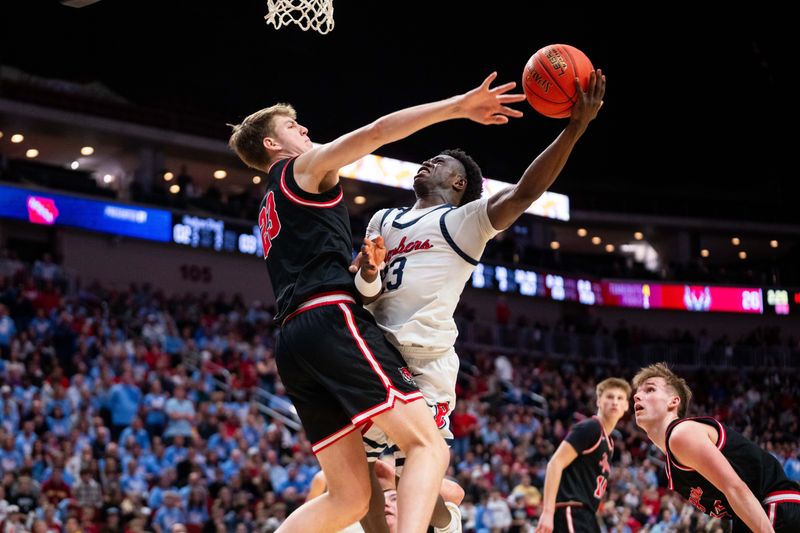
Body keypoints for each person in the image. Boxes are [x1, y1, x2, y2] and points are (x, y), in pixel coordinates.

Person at [228, 72, 525, 533]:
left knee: (347, 498)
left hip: (291, 341)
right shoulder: (300, 169)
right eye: (292, 126)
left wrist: (366, 270)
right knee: (429, 447)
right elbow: (377, 131)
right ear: (272, 144)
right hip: (329, 318)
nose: (304, 130)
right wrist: (458, 106)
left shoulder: (270, 201)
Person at [350, 70, 606, 532]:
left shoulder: (466, 221)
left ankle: (446, 521)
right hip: (376, 351)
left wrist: (574, 128)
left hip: (425, 360)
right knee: (365, 471)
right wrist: (368, 273)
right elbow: (367, 291)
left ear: (458, 183)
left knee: (413, 478)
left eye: (440, 162)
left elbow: (526, 192)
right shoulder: (382, 218)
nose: (427, 162)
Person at [632, 362, 800, 532]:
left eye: (650, 389)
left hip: (774, 507)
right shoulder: (672, 464)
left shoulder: (681, 434)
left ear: (673, 401)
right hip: (758, 513)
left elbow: (736, 487)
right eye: (637, 392)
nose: (637, 396)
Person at [534, 378, 631, 533]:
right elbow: (555, 463)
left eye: (620, 398)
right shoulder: (591, 427)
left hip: (587, 515)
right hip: (571, 509)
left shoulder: (609, 443)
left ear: (626, 406)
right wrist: (547, 512)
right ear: (598, 401)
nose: (615, 402)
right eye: (609, 397)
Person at [306, 459, 464, 533]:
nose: (385, 504)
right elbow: (321, 480)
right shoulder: (354, 526)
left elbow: (456, 493)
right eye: (381, 500)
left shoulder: (431, 526)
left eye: (394, 499)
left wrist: (393, 476)